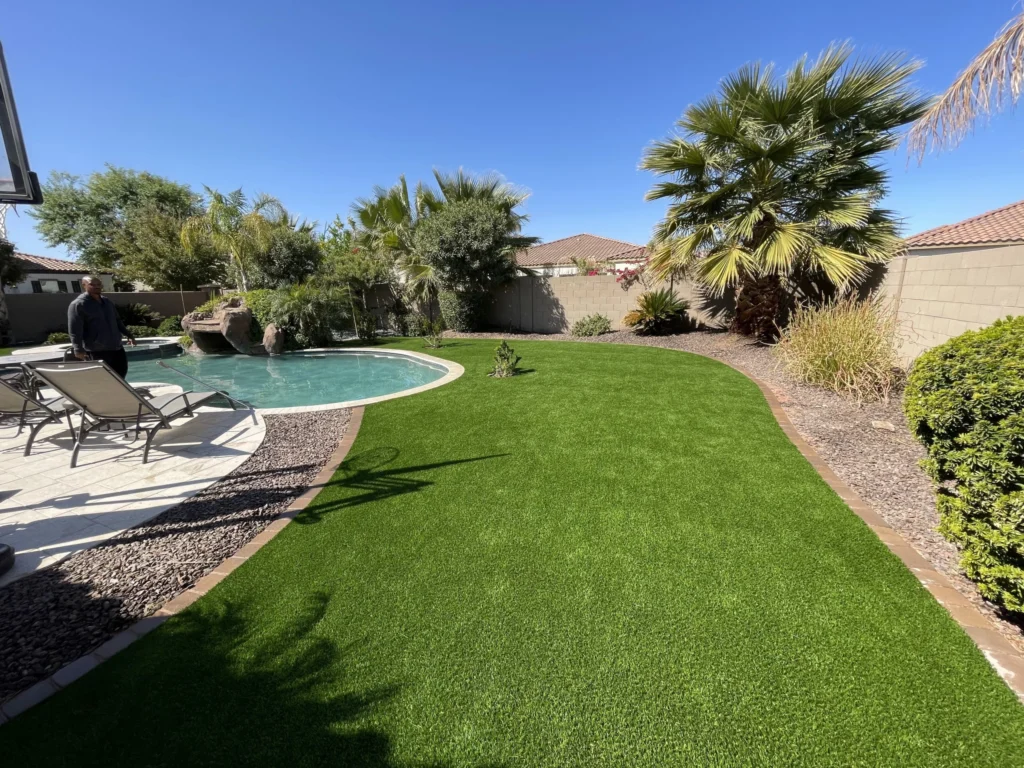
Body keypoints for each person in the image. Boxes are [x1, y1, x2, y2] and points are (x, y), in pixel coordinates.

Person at [67, 276, 136, 377]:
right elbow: (74, 329)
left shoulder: (107, 302)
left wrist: (128, 335)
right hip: (96, 350)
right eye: (92, 284)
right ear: (84, 285)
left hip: (116, 347)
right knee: (104, 378)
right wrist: (78, 349)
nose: (96, 287)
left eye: (98, 284)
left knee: (121, 374)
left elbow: (117, 320)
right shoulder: (78, 304)